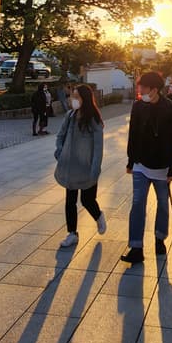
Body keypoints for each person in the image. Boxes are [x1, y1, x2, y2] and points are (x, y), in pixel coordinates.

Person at [121, 72, 172, 264]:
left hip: (162, 166)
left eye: (143, 88)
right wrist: (131, 161)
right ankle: (136, 247)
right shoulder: (138, 106)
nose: (140, 91)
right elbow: (133, 134)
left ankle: (159, 238)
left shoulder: (170, 108)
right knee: (137, 204)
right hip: (140, 164)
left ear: (154, 90)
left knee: (162, 204)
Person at [54, 84, 106, 247]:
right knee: (70, 200)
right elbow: (60, 135)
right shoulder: (70, 116)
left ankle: (98, 216)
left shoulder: (93, 120)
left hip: (87, 167)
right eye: (72, 96)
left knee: (87, 199)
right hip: (70, 166)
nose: (73, 100)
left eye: (77, 97)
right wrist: (60, 152)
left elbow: (98, 147)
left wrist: (95, 169)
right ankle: (72, 233)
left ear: (85, 99)